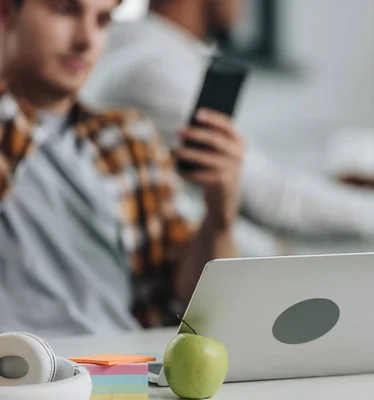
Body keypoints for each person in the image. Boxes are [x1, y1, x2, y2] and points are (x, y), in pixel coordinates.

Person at [81, 0, 374, 251]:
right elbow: (268, 197)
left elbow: (251, 173)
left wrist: (332, 183)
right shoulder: (158, 68)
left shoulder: (141, 52)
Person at [0, 0, 244, 336]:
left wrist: (219, 216)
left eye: (102, 20)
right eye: (65, 10)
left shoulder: (128, 138)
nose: (86, 39)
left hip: (120, 372)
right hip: (21, 375)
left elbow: (192, 298)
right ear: (6, 12)